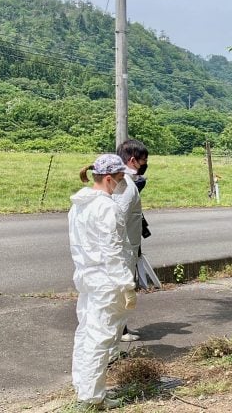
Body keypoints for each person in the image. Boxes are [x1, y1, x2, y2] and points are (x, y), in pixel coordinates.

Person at [69, 154, 137, 410]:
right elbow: (112, 250)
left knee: (86, 332)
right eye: (120, 179)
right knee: (101, 338)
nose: (123, 184)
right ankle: (92, 398)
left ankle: (84, 387)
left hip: (87, 278)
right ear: (109, 179)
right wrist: (126, 284)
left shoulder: (79, 204)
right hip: (107, 282)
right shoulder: (106, 207)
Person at [113, 139, 149, 343]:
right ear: (133, 160)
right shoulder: (126, 185)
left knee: (123, 290)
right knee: (122, 290)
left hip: (127, 246)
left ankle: (122, 329)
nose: (145, 165)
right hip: (123, 248)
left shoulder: (127, 183)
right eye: (143, 161)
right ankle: (118, 332)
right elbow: (119, 218)